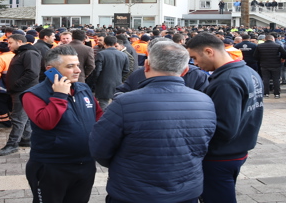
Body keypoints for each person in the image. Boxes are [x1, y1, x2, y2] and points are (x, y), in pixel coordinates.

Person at [91, 42, 216, 203]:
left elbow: (99, 148)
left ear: (147, 65)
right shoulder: (205, 102)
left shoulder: (125, 103)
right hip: (185, 191)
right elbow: (205, 144)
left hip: (133, 191)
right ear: (185, 70)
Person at [185, 33, 264, 203]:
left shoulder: (227, 81)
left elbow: (224, 128)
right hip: (238, 149)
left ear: (208, 51)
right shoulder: (248, 72)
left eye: (194, 57)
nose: (195, 63)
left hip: (220, 155)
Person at [22, 45, 103, 203]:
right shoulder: (33, 95)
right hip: (52, 166)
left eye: (77, 65)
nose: (78, 70)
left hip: (85, 164)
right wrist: (59, 95)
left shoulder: (83, 88)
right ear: (51, 70)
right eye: (70, 66)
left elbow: (98, 115)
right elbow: (46, 122)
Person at [0, 34, 41, 156]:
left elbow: (32, 73)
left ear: (19, 42)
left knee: (18, 118)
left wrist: (16, 85)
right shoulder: (22, 53)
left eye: (10, 43)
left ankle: (12, 144)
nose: (8, 46)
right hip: (21, 90)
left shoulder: (29, 54)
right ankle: (26, 138)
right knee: (23, 118)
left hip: (24, 91)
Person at [87, 36, 129, 110]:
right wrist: (119, 77)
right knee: (115, 104)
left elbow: (97, 70)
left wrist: (94, 81)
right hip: (117, 82)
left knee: (103, 104)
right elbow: (126, 70)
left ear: (104, 43)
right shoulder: (124, 55)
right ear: (115, 43)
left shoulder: (101, 54)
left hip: (103, 83)